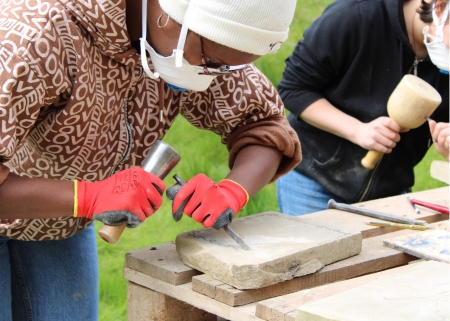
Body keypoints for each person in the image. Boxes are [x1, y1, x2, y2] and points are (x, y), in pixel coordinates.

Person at [0, 0, 301, 319]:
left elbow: (265, 127)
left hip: (55, 225)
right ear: (173, 13)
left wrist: (233, 190)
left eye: (224, 67)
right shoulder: (36, 37)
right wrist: (89, 197)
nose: (211, 74)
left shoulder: (196, 43)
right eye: (211, 60)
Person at [276, 0, 449, 216]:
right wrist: (357, 130)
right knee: (316, 251)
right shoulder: (356, 14)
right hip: (315, 183)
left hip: (391, 195)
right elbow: (293, 89)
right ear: (440, 8)